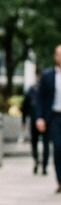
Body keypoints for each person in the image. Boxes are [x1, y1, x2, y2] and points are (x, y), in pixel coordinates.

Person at [35, 45, 61, 193]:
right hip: (54, 117)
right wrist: (40, 118)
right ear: (55, 56)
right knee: (58, 148)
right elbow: (40, 99)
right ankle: (60, 180)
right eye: (59, 55)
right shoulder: (48, 76)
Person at [22, 76, 49, 176]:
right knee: (35, 142)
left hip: (45, 121)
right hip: (36, 120)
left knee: (42, 143)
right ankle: (37, 160)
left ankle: (43, 164)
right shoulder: (31, 90)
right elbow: (25, 106)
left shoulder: (35, 90)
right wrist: (24, 120)